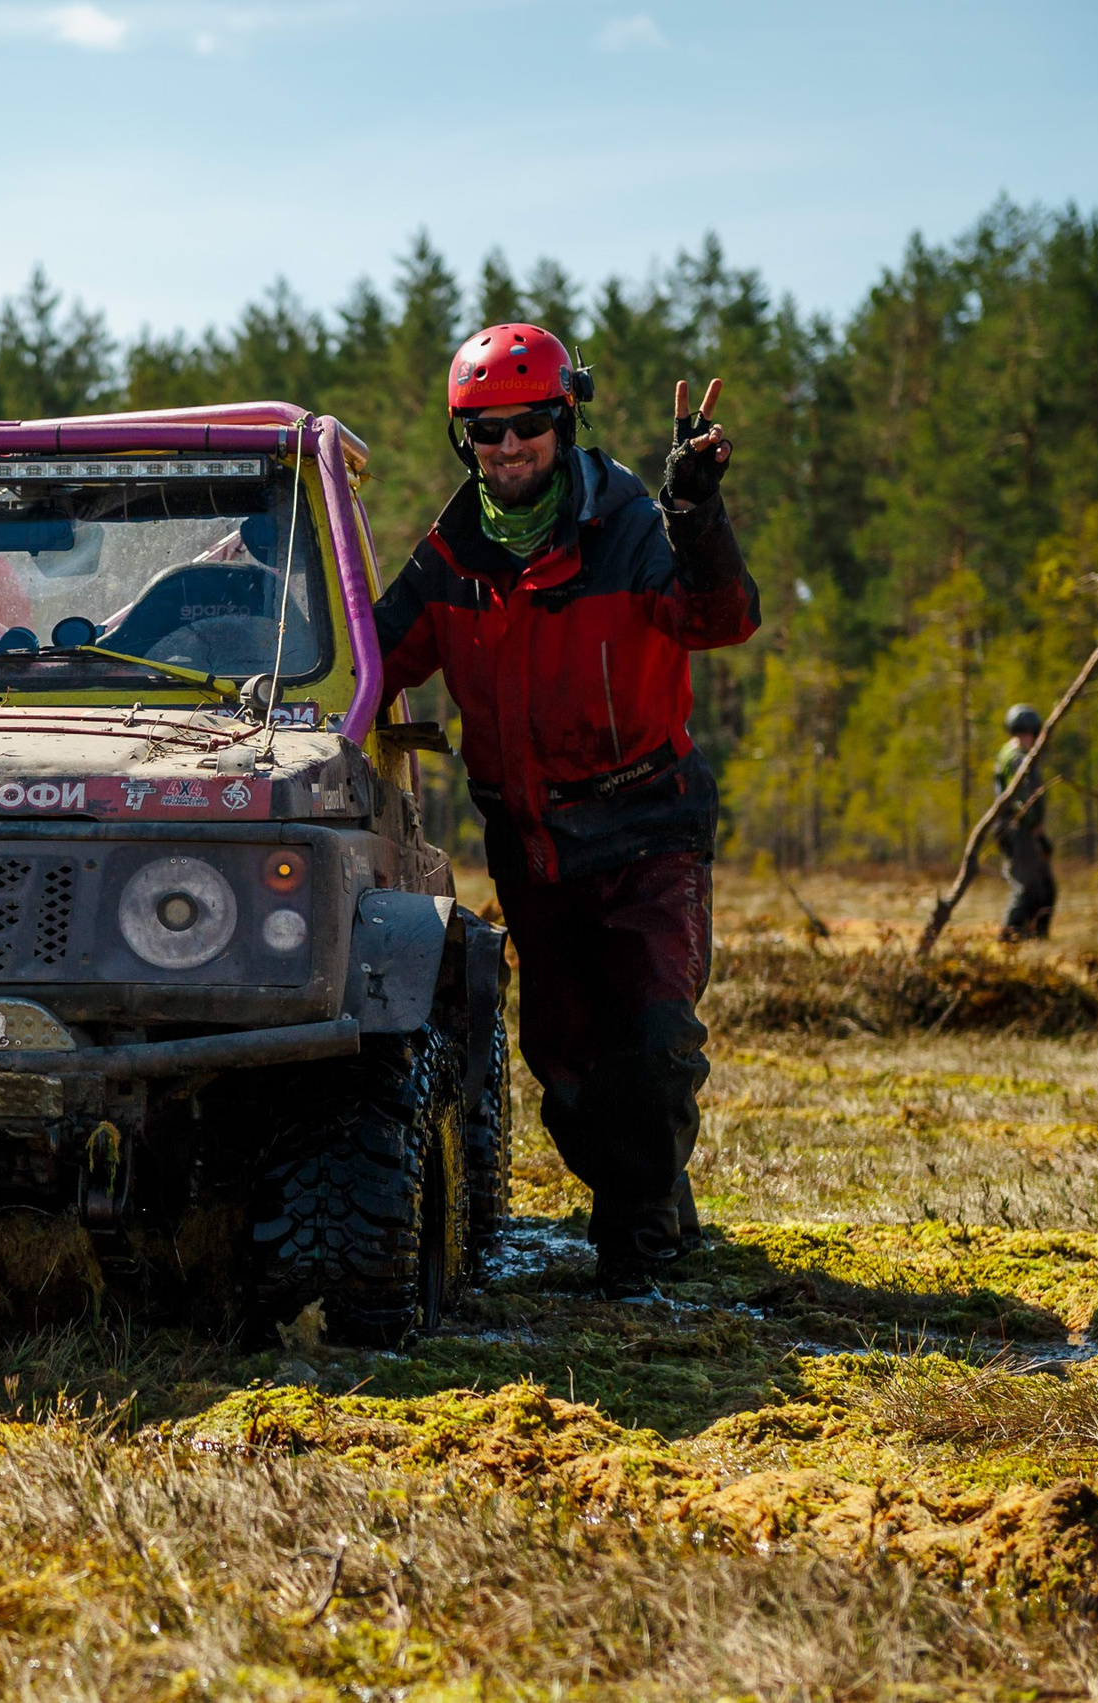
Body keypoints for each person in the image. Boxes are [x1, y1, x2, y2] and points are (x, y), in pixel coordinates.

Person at [372, 323, 759, 1295]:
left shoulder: (634, 523)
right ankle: (650, 1192)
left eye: (526, 427)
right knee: (568, 1069)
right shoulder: (449, 560)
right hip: (531, 846)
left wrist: (696, 512)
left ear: (563, 419)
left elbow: (721, 621)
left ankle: (641, 1254)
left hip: (647, 827)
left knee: (655, 1043)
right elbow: (366, 663)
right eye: (484, 433)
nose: (507, 450)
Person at [991, 704, 1055, 941]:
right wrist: (1033, 825)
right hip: (1018, 831)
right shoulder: (1017, 759)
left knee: (1044, 888)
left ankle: (1035, 940)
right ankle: (1009, 940)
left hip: (1020, 830)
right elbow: (1022, 799)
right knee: (1028, 888)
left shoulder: (1008, 754)